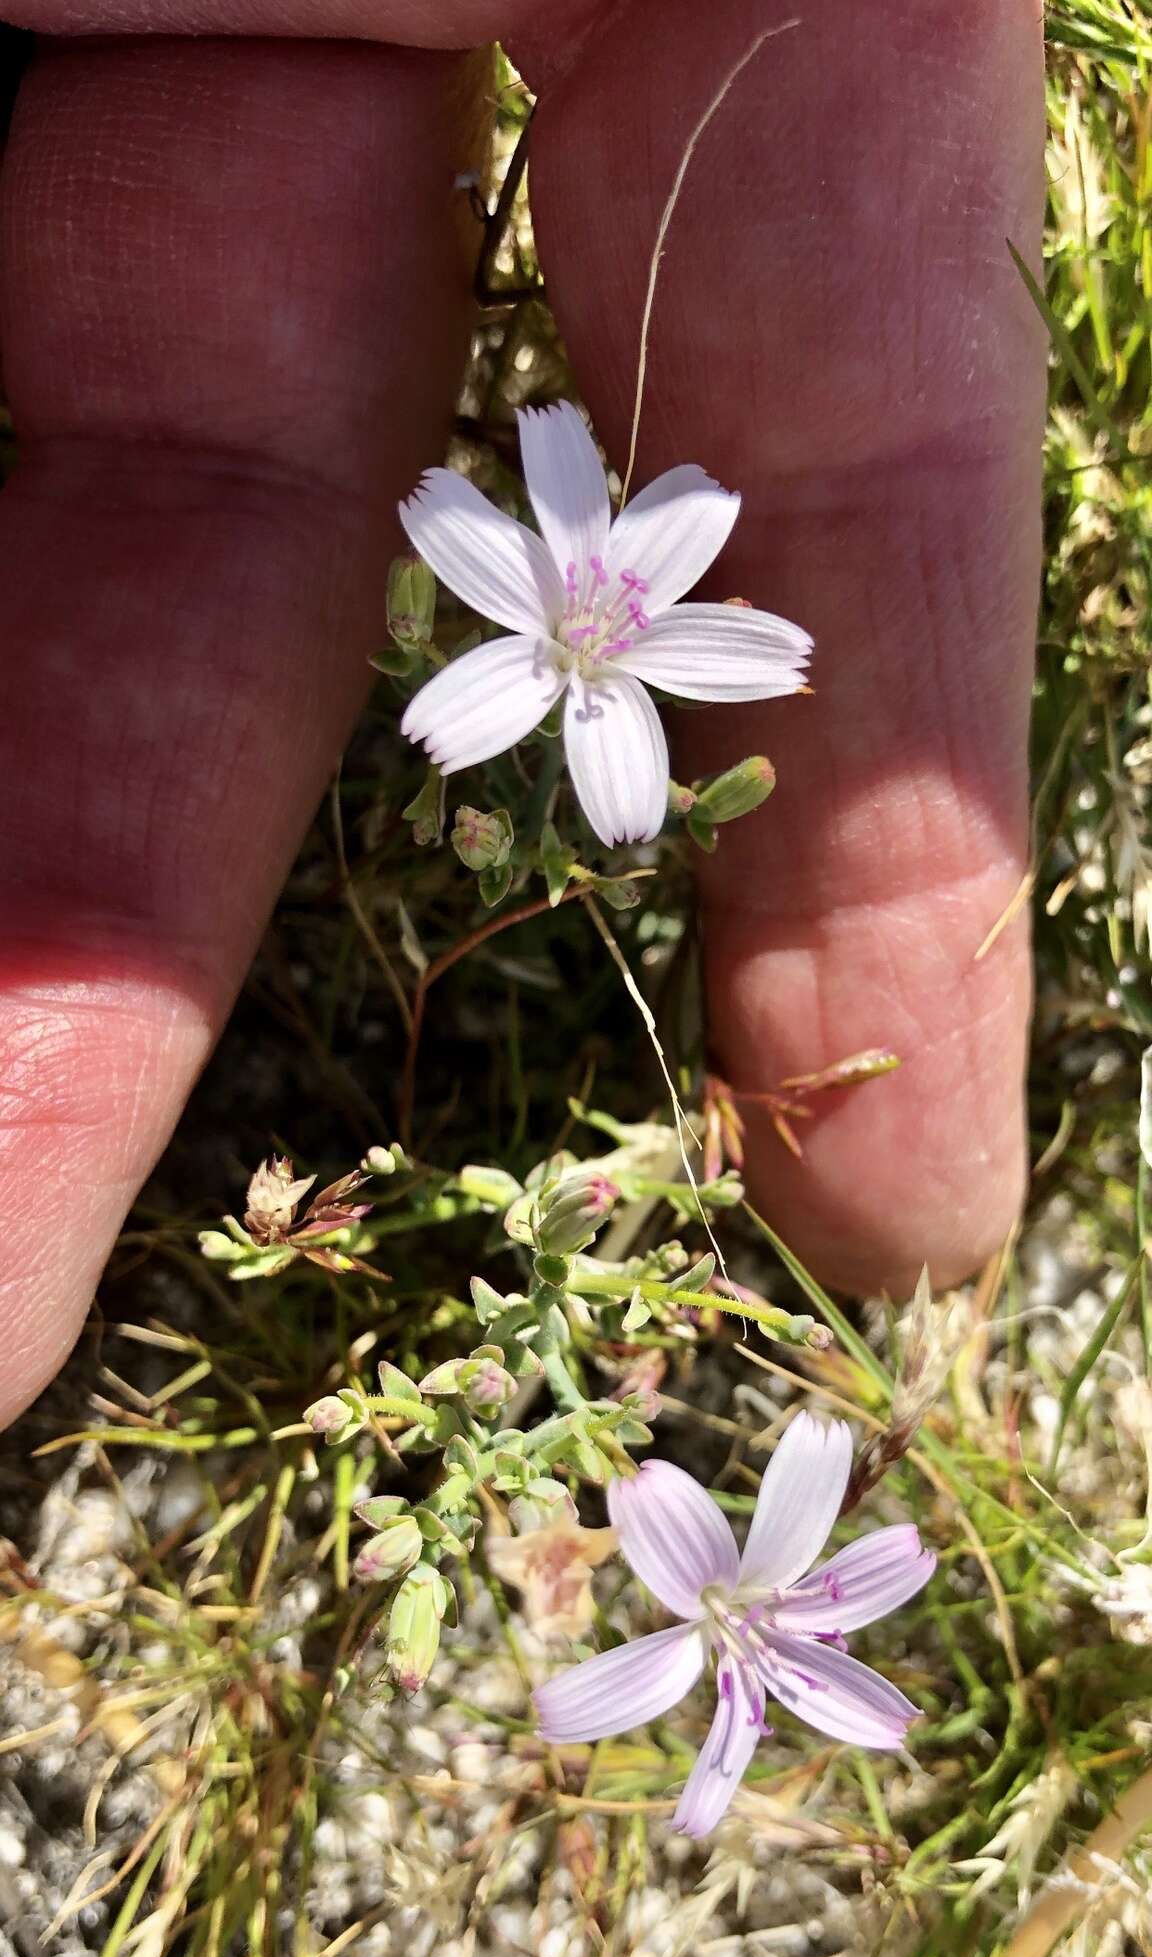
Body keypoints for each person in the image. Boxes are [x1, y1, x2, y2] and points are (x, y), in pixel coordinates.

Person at [0, 0, 1044, 1429]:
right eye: (587, 605)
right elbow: (529, 623)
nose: (598, 620)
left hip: (563, 697)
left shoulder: (624, 649)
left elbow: (637, 630)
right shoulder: (519, 586)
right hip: (517, 664)